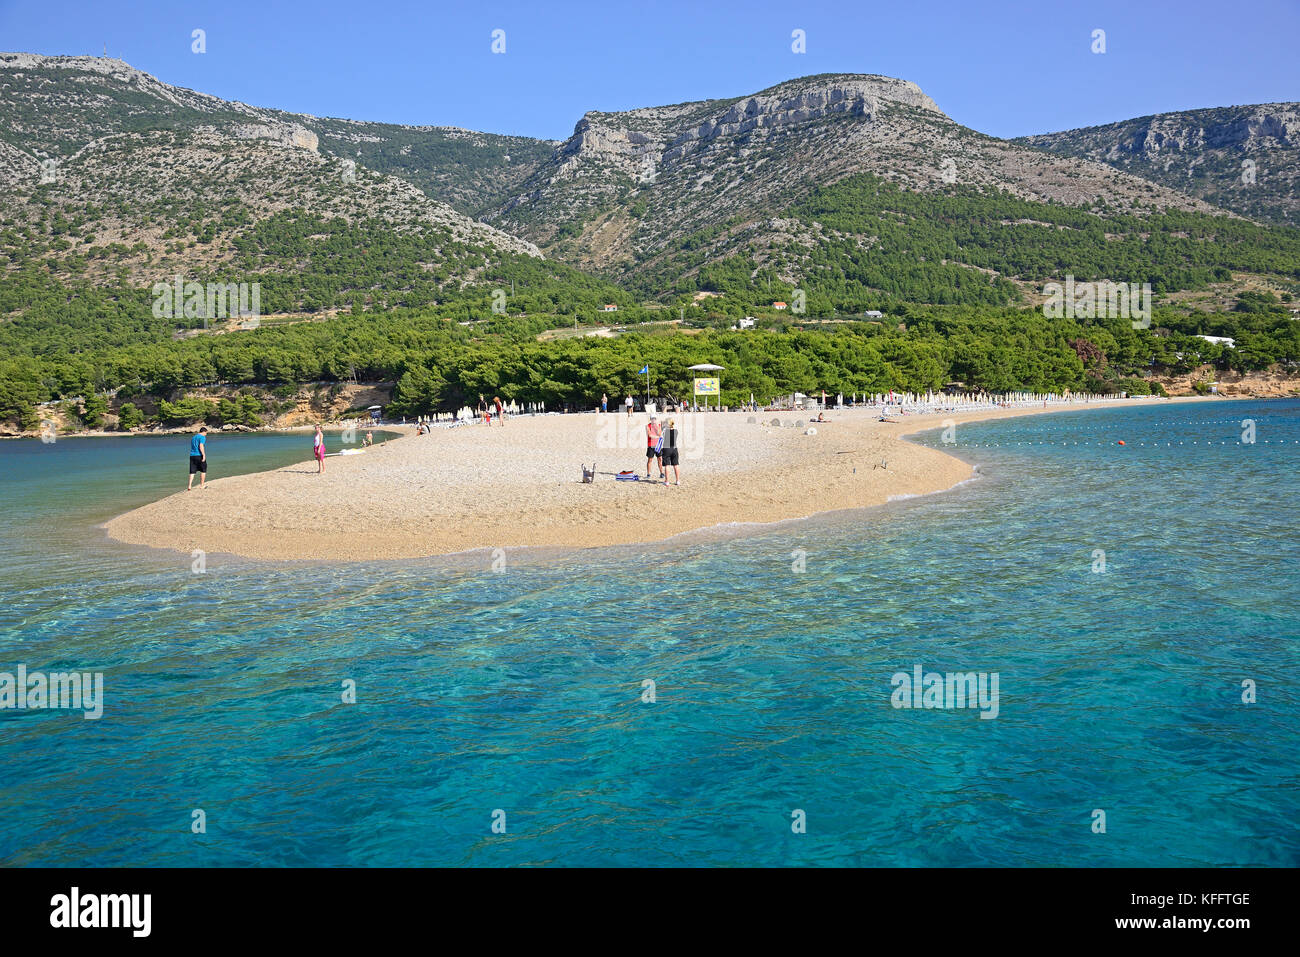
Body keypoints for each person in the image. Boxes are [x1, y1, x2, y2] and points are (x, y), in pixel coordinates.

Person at [661, 418, 681, 485]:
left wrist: (663, 423)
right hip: (674, 448)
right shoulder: (676, 431)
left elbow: (661, 428)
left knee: (667, 465)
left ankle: (667, 481)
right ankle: (677, 480)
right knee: (676, 465)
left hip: (667, 448)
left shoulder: (664, 431)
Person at [645, 414, 663, 478]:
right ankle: (648, 473)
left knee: (660, 459)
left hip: (658, 445)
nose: (653, 420)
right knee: (650, 460)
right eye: (652, 419)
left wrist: (657, 428)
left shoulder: (658, 425)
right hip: (651, 445)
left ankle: (661, 473)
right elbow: (650, 435)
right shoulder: (648, 426)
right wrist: (657, 436)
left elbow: (660, 433)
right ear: (650, 419)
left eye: (654, 419)